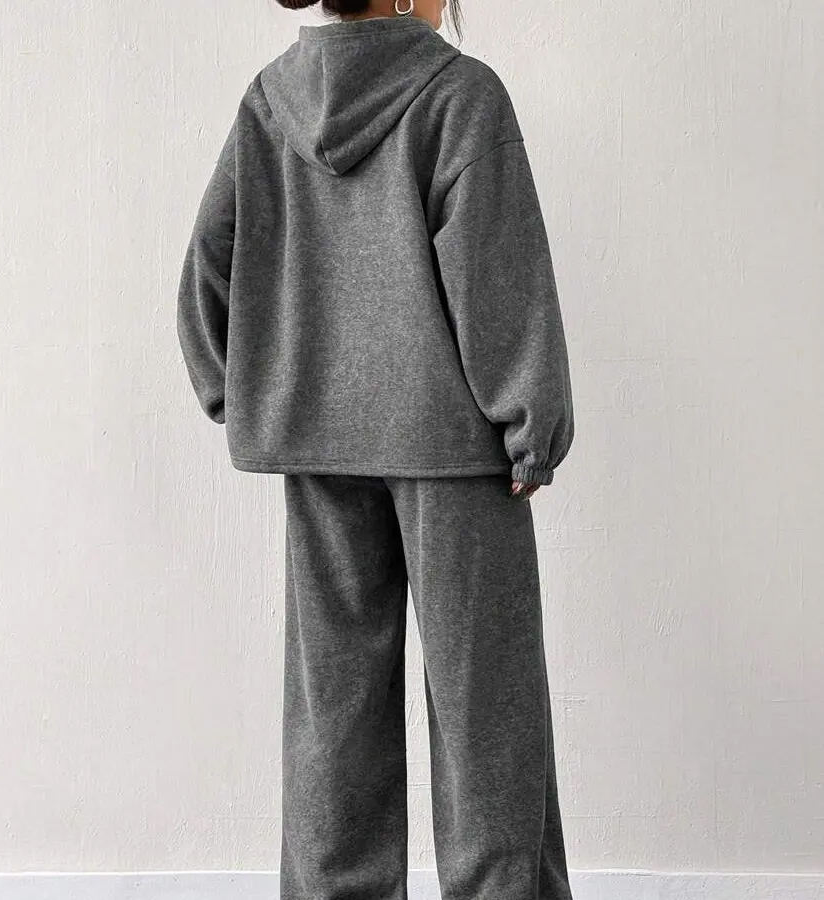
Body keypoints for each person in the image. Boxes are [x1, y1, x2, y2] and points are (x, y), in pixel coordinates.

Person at [176, 0, 576, 897]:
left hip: (319, 447)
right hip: (457, 454)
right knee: (487, 714)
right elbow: (496, 270)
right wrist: (531, 423)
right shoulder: (459, 94)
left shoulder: (270, 101)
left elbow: (209, 259)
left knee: (333, 713)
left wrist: (235, 387)